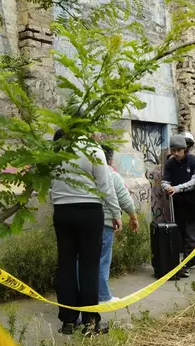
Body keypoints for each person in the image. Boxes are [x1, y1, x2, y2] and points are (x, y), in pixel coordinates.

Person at [51, 130, 122, 335]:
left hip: (62, 212)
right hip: (89, 212)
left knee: (65, 265)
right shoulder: (92, 149)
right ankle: (90, 322)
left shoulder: (56, 152)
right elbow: (105, 186)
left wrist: (59, 206)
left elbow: (51, 187)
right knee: (89, 266)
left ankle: (68, 322)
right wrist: (116, 213)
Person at [98, 146, 139, 303]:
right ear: (110, 159)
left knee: (84, 260)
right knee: (102, 259)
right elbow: (124, 198)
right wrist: (133, 218)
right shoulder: (111, 175)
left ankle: (84, 297)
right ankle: (103, 296)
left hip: (87, 221)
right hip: (106, 222)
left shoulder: (86, 174)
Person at [162, 135, 195, 277]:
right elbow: (165, 181)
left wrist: (177, 188)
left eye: (178, 150)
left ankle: (187, 263)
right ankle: (191, 259)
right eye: (173, 150)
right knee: (180, 235)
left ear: (184, 149)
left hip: (194, 205)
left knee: (191, 236)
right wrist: (167, 187)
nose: (175, 153)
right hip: (178, 206)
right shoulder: (170, 163)